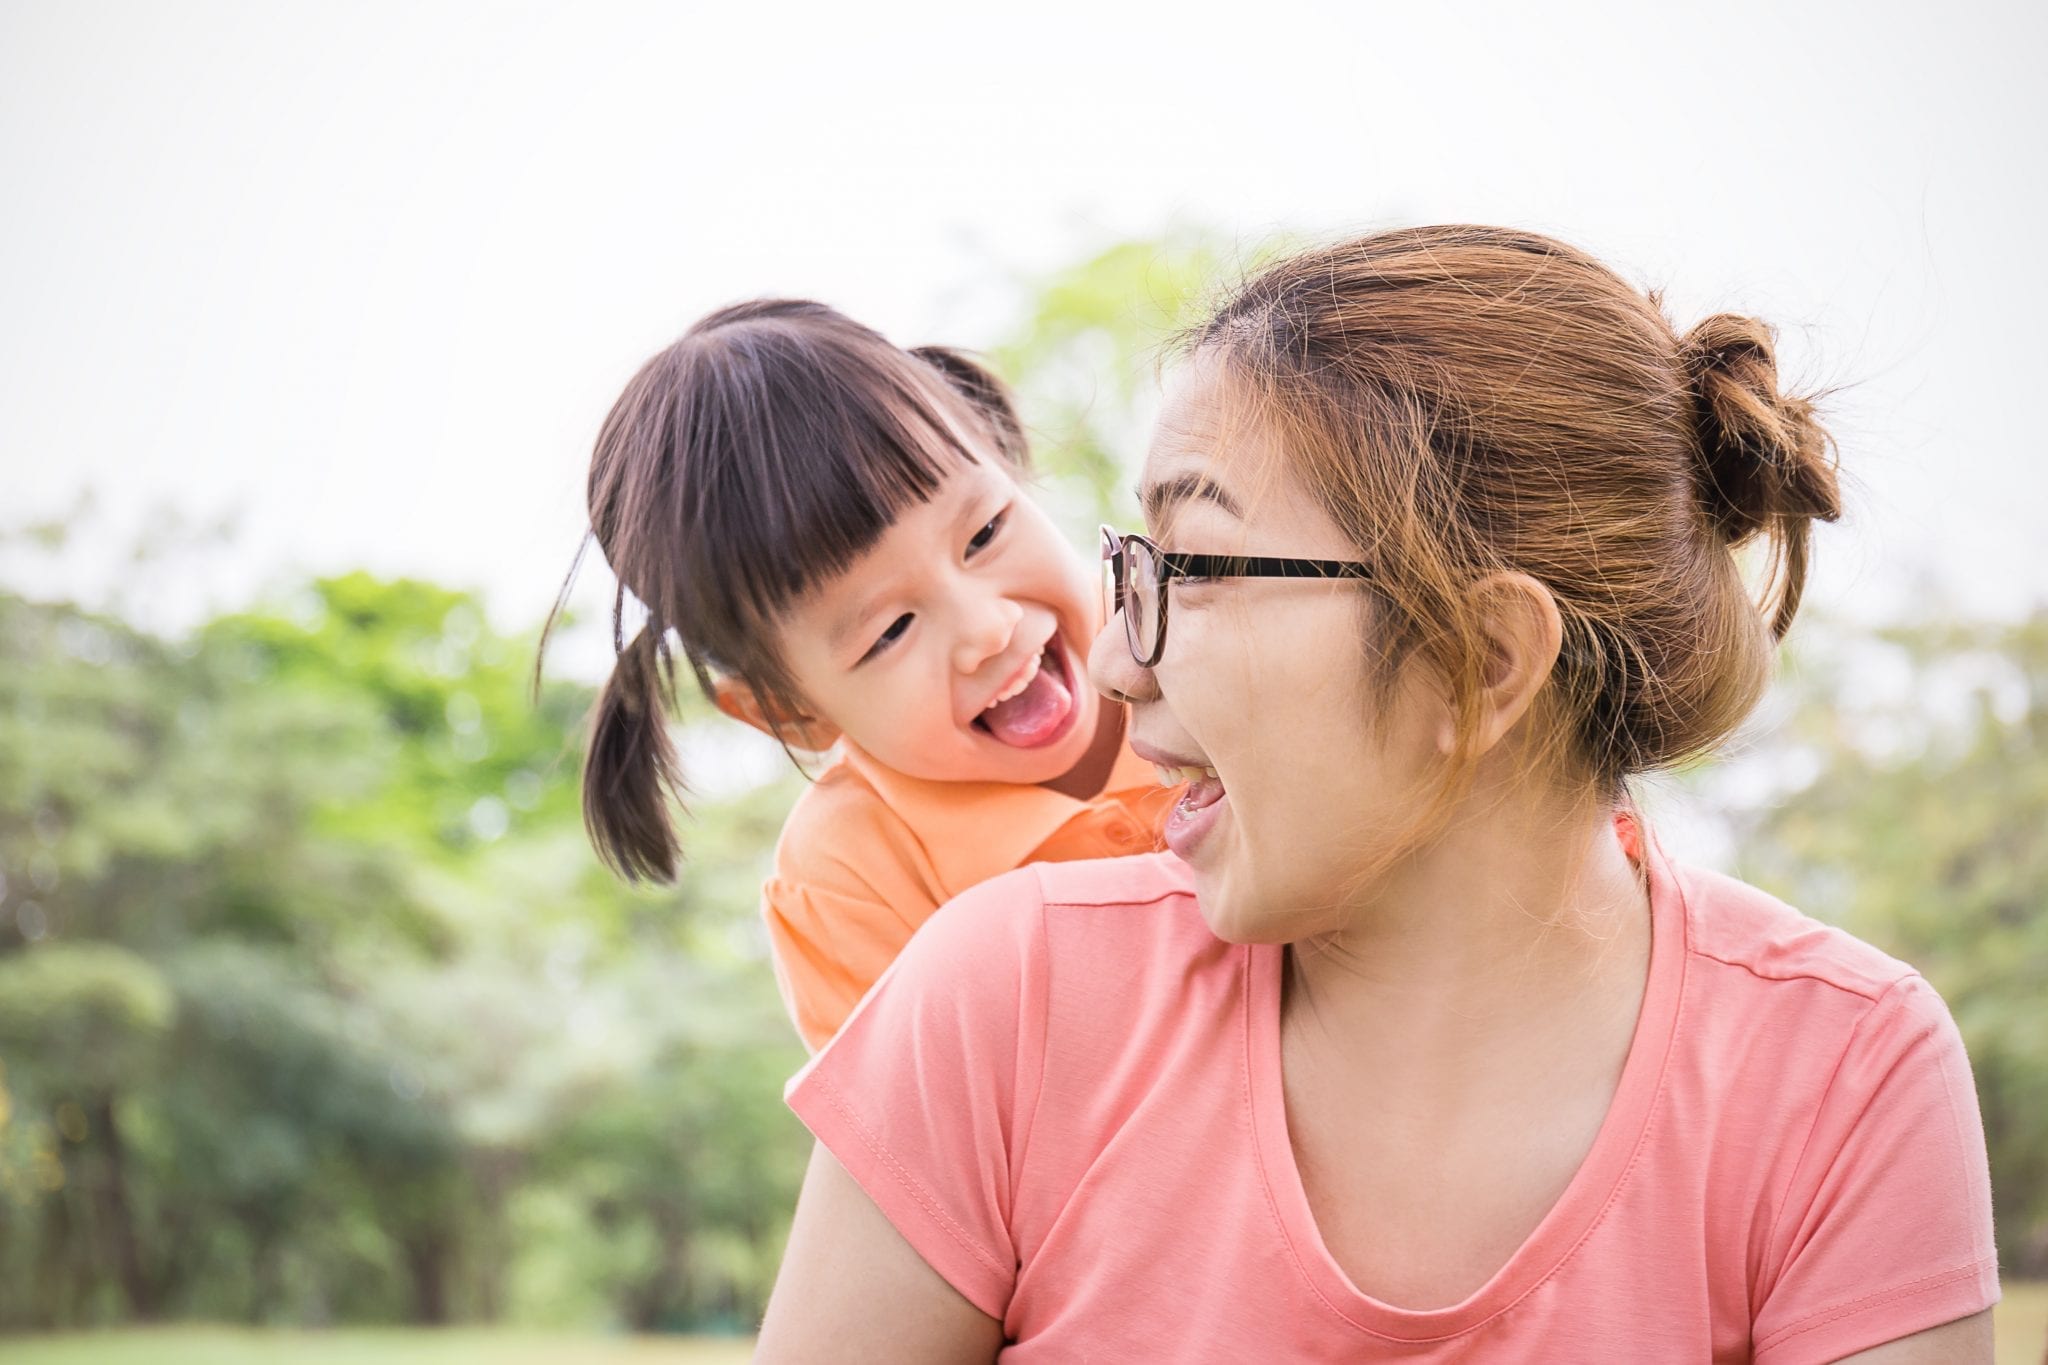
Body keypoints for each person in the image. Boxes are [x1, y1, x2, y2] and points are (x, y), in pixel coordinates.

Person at [756, 227, 2000, 1361]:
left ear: (1482, 661)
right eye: (1133, 567)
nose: (1119, 664)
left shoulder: (1841, 1073)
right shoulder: (996, 1000)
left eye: (1192, 567)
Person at [562, 300, 1170, 1050]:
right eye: (890, 631)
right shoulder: (850, 877)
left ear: (1006, 461)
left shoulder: (1196, 626)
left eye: (984, 532)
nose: (986, 629)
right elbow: (938, 1154)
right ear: (790, 710)